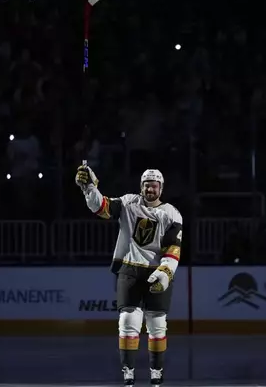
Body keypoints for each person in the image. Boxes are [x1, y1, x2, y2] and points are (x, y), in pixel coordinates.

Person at [76, 163, 182, 387]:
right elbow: (102, 208)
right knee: (128, 322)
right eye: (146, 185)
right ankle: (128, 372)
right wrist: (89, 189)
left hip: (157, 271)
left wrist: (165, 273)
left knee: (157, 324)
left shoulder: (172, 214)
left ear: (161, 188)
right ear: (141, 186)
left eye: (154, 186)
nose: (150, 189)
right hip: (129, 268)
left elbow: (173, 248)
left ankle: (156, 371)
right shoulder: (128, 202)